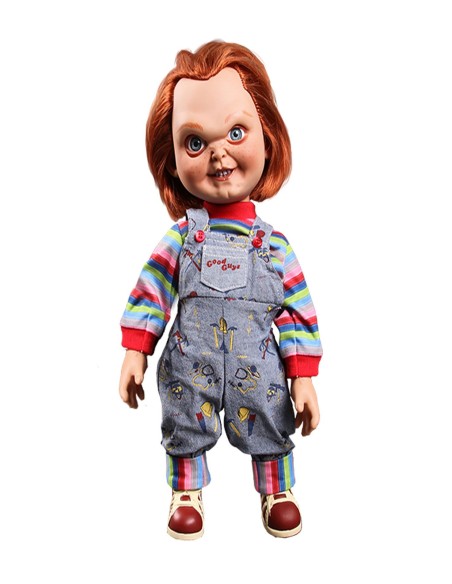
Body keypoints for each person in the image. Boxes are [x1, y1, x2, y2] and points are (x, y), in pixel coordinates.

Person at [119, 41, 322, 540]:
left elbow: (297, 311)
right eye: (195, 142)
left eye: (235, 133)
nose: (218, 154)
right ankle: (186, 490)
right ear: (171, 159)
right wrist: (135, 349)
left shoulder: (274, 245)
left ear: (267, 136)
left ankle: (276, 489)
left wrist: (303, 376)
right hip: (192, 361)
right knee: (184, 419)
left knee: (271, 420)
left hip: (260, 369)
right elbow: (152, 289)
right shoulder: (182, 237)